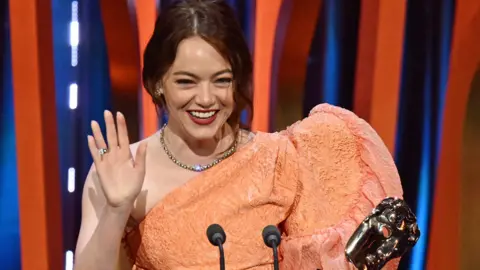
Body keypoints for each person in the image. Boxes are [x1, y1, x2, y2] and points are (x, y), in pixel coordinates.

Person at [73, 0, 403, 269]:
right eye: (186, 81)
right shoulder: (119, 171)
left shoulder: (279, 161)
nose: (205, 99)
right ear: (159, 83)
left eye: (221, 80)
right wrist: (117, 209)